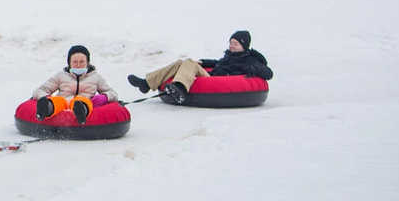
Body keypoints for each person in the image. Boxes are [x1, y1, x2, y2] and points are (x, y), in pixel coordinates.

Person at [126, 30, 272, 104]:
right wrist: (203, 62)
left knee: (189, 63)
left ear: (244, 46)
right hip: (212, 76)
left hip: (218, 81)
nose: (231, 46)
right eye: (231, 42)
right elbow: (218, 63)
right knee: (180, 63)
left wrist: (253, 69)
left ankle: (180, 88)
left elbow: (268, 73)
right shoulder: (230, 55)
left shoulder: (249, 60)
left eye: (235, 44)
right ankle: (146, 83)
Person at [32, 44, 120, 123]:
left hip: (84, 101)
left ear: (87, 63)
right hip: (63, 103)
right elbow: (40, 90)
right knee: (58, 101)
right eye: (75, 62)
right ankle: (47, 107)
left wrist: (104, 97)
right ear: (69, 63)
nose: (78, 65)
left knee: (82, 101)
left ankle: (81, 112)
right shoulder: (61, 76)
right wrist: (47, 97)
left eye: (82, 62)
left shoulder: (95, 77)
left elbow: (113, 93)